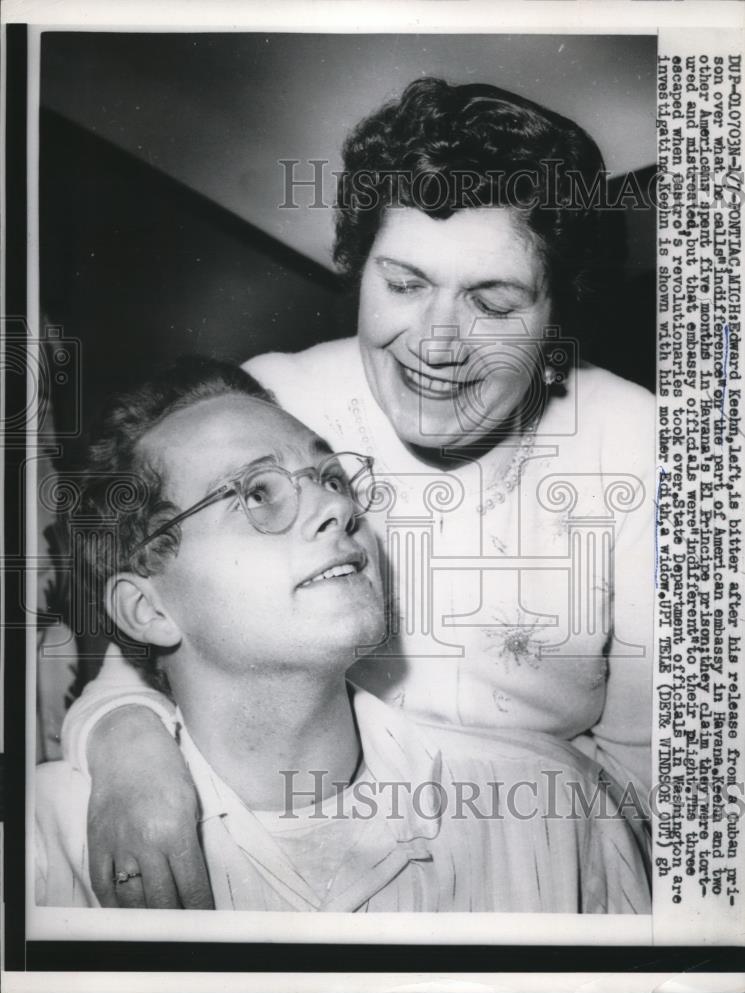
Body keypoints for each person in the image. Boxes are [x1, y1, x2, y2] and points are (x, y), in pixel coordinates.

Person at [58, 78, 655, 908]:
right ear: (360, 266)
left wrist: (510, 857)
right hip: (278, 840)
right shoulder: (270, 406)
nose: (436, 344)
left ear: (559, 314)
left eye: (491, 302)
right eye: (404, 284)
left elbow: (652, 784)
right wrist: (125, 745)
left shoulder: (646, 449)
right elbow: (144, 616)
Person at [36, 357, 651, 912]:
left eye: (331, 477)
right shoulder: (44, 850)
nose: (340, 507)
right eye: (256, 493)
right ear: (145, 609)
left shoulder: (559, 815)